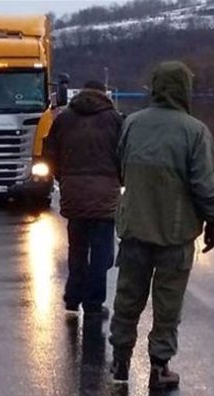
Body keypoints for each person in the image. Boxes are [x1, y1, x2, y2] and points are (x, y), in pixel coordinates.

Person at [109, 61, 214, 389]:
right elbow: (204, 184)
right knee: (167, 303)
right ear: (185, 89)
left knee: (128, 296)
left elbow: (121, 168)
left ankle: (120, 359)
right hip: (176, 232)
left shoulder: (132, 123)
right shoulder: (195, 131)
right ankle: (159, 366)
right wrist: (211, 220)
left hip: (134, 227)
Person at [44, 80, 123, 318]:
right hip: (105, 194)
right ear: (103, 94)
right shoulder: (115, 120)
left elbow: (48, 154)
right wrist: (119, 179)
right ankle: (93, 302)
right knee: (102, 253)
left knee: (77, 249)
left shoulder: (64, 120)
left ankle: (72, 296)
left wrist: (63, 177)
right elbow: (126, 153)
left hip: (73, 193)